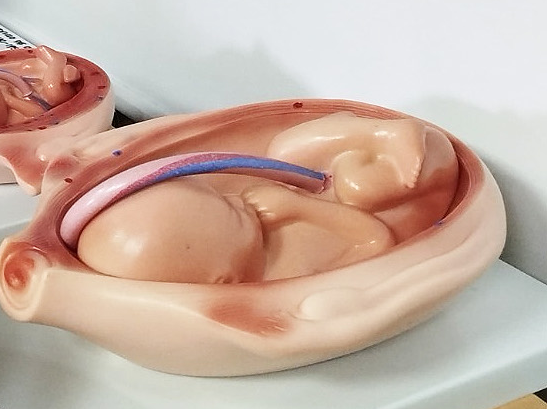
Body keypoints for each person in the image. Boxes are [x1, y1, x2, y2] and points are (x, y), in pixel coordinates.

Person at [71, 113, 459, 283]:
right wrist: (301, 207)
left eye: (225, 196)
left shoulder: (237, 250)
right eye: (237, 214)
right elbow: (376, 241)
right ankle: (412, 143)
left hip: (323, 177)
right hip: (379, 207)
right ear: (225, 277)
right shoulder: (287, 272)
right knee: (361, 189)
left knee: (286, 150)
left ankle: (379, 133)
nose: (243, 200)